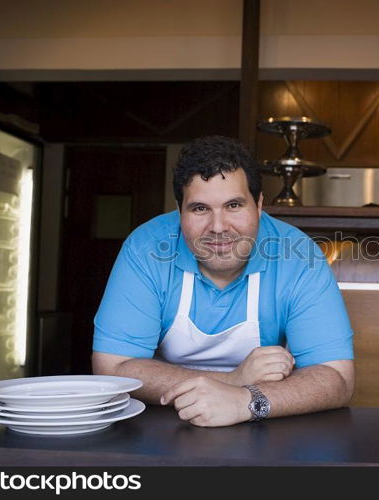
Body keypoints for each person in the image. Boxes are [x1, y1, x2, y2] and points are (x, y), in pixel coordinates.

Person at [92, 136, 354, 427]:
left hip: (263, 428)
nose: (218, 227)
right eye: (200, 208)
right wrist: (232, 380)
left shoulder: (298, 255)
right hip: (165, 426)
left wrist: (245, 401)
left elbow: (336, 377)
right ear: (179, 211)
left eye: (233, 205)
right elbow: (112, 367)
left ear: (259, 204)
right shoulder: (147, 248)